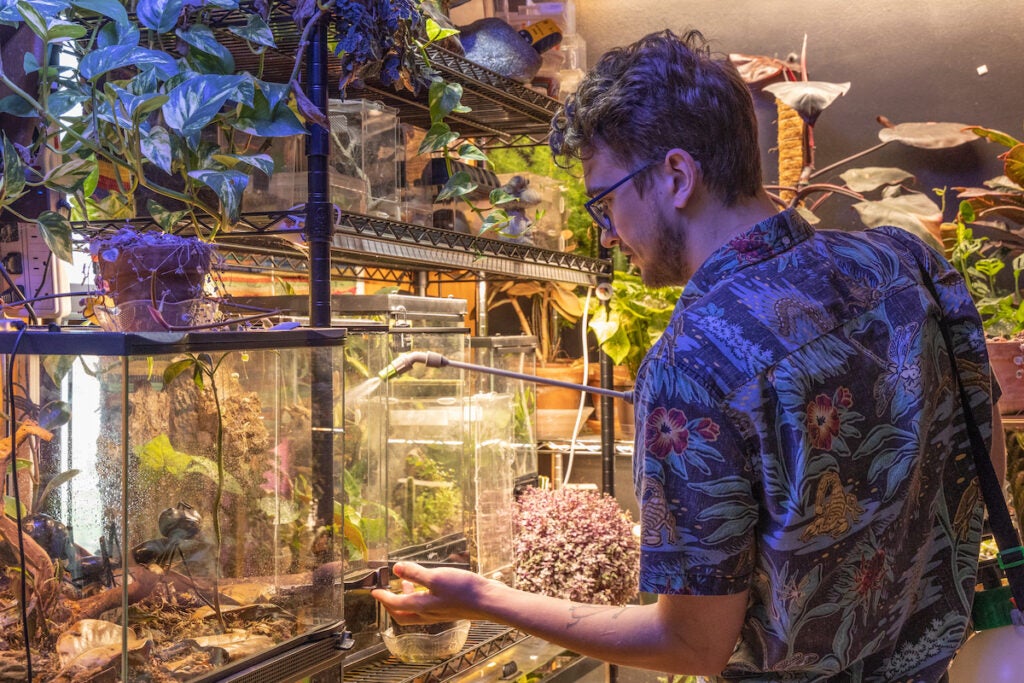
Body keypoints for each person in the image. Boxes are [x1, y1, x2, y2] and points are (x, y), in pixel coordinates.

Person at [373, 28, 1006, 680]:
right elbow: (985, 443)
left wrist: (484, 597)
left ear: (676, 175)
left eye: (605, 199)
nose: (607, 230)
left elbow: (690, 643)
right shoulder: (907, 260)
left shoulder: (691, 364)